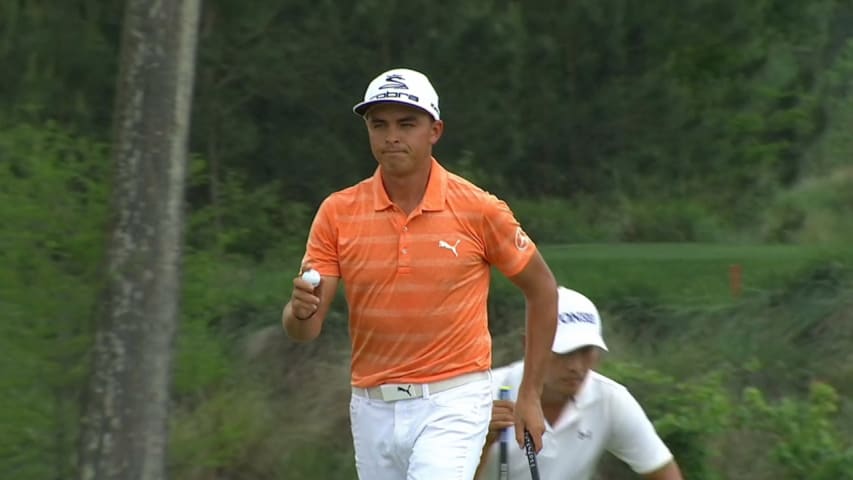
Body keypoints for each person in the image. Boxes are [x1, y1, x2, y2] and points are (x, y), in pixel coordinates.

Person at [282, 67, 559, 480]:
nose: (392, 136)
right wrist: (299, 311)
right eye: (380, 125)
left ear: (435, 130)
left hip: (454, 400)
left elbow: (543, 291)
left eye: (407, 124)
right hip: (371, 405)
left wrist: (531, 394)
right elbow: (304, 330)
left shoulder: (478, 209)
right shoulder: (337, 212)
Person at [475, 287, 684, 480]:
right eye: (562, 352)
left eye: (585, 351)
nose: (576, 366)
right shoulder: (480, 395)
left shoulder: (609, 399)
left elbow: (663, 471)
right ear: (528, 344)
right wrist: (481, 445)